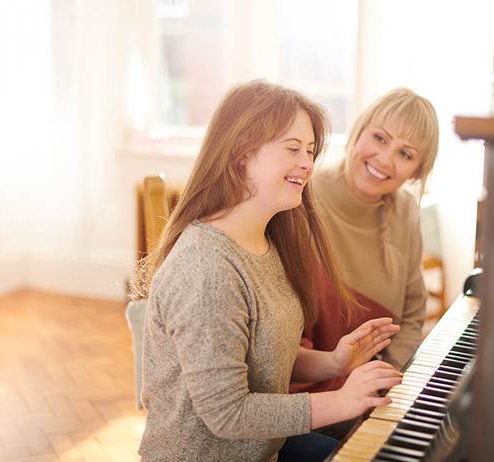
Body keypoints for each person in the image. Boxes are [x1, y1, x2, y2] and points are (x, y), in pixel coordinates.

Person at [133, 80, 402, 462]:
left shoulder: (265, 242)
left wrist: (334, 362)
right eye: (292, 149)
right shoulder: (207, 268)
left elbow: (262, 355)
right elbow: (227, 414)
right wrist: (341, 401)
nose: (307, 164)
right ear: (242, 155)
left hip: (264, 449)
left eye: (310, 151)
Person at [295, 88, 439, 399]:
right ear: (359, 131)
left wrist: (384, 374)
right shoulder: (300, 195)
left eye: (405, 154)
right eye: (380, 138)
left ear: (417, 171)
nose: (385, 159)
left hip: (371, 395)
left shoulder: (406, 211)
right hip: (306, 399)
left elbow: (413, 314)